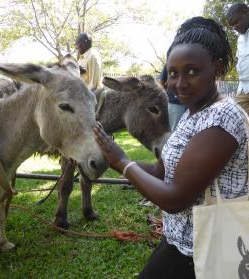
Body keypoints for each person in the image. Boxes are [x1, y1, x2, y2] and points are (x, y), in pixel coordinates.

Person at [93, 16, 248, 278]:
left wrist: (123, 162)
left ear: (217, 69)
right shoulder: (194, 113)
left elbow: (175, 198)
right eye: (173, 73)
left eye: (192, 71)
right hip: (179, 238)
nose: (180, 83)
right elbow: (160, 170)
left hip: (203, 249)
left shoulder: (222, 118)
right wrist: (108, 158)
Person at [226, 3, 249, 94]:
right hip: (243, 88)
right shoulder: (240, 39)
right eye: (231, 25)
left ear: (246, 12)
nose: (234, 27)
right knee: (235, 108)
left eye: (236, 22)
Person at [158, 63, 187, 131]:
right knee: (175, 131)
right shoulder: (170, 62)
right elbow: (161, 83)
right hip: (175, 104)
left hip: (194, 103)